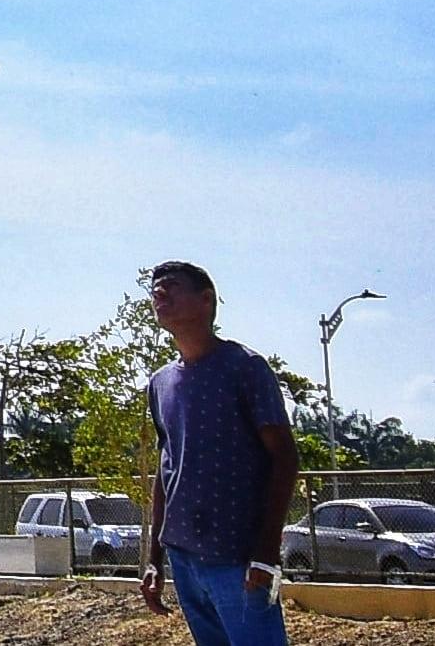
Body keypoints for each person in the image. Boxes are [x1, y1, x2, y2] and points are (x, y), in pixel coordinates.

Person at [136, 262, 300, 646]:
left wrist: (265, 550)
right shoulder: (160, 383)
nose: (159, 294)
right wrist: (154, 558)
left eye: (172, 286)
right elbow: (166, 468)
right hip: (183, 557)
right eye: (155, 289)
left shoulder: (246, 368)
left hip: (237, 556)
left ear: (206, 300)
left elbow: (285, 458)